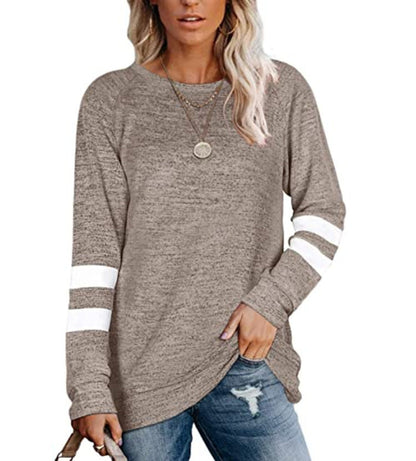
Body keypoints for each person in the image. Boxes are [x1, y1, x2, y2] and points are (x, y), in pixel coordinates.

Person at [65, 0, 346, 459]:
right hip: (140, 375)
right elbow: (95, 253)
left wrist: (271, 302)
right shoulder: (111, 99)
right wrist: (88, 386)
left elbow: (324, 211)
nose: (190, 2)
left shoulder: (278, 89)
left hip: (244, 358)